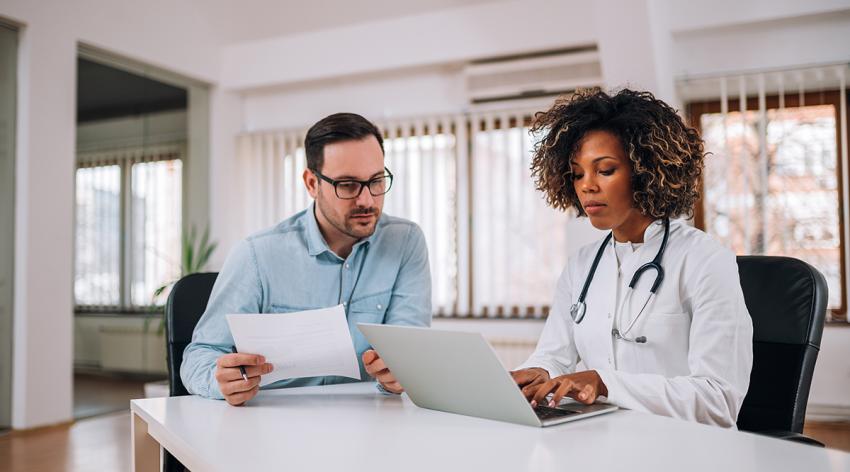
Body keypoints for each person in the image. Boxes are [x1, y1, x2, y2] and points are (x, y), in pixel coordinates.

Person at [511, 89, 753, 427]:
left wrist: (606, 383)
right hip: (601, 438)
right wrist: (539, 372)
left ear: (646, 171)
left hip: (683, 447)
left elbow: (719, 400)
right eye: (578, 174)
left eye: (605, 170)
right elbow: (554, 355)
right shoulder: (581, 266)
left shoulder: (704, 260)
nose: (587, 186)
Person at [181, 113, 431, 405]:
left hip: (370, 425)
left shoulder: (405, 242)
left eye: (376, 181)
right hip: (274, 427)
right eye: (348, 185)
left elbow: (409, 354)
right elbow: (199, 356)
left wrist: (399, 375)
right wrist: (219, 379)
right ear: (312, 183)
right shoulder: (257, 255)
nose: (367, 200)